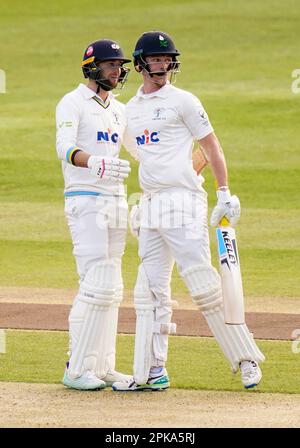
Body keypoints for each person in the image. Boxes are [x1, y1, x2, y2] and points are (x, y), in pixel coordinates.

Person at [112, 31, 265, 392]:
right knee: (149, 290)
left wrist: (223, 192)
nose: (163, 65)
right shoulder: (128, 111)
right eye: (156, 59)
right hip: (151, 205)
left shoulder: (184, 101)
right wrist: (144, 200)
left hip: (183, 201)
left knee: (202, 282)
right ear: (140, 64)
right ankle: (152, 370)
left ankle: (246, 359)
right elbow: (144, 157)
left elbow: (211, 147)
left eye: (167, 60)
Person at [56, 39, 132, 390]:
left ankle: (103, 367)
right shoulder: (72, 103)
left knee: (113, 287)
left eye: (119, 65)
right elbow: (64, 147)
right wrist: (94, 161)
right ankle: (75, 367)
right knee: (92, 283)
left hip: (115, 200)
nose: (116, 71)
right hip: (85, 198)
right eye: (109, 65)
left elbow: (140, 148)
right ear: (92, 67)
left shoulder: (119, 108)